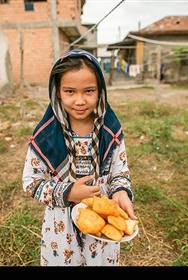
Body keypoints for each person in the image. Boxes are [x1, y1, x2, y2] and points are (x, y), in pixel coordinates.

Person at [22, 49, 137, 266]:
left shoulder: (110, 131)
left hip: (101, 223)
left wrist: (121, 191)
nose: (80, 100)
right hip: (61, 226)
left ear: (100, 91)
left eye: (89, 91)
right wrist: (68, 192)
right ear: (57, 92)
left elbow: (120, 172)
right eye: (70, 91)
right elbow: (31, 182)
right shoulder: (45, 136)